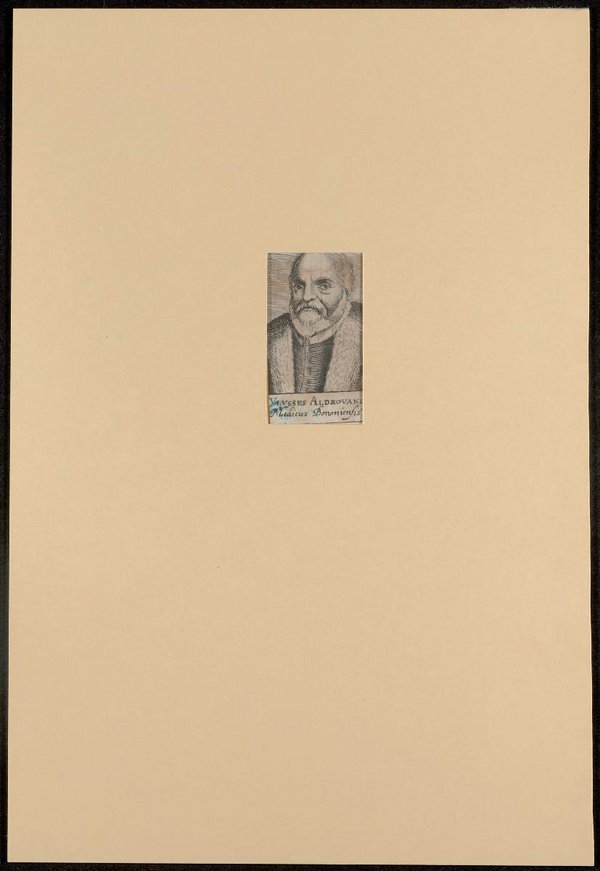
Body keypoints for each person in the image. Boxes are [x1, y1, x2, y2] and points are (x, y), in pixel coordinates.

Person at [267, 252, 362, 394]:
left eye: (323, 286)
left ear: (345, 290)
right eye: (299, 286)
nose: (307, 296)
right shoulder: (271, 335)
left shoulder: (366, 330)